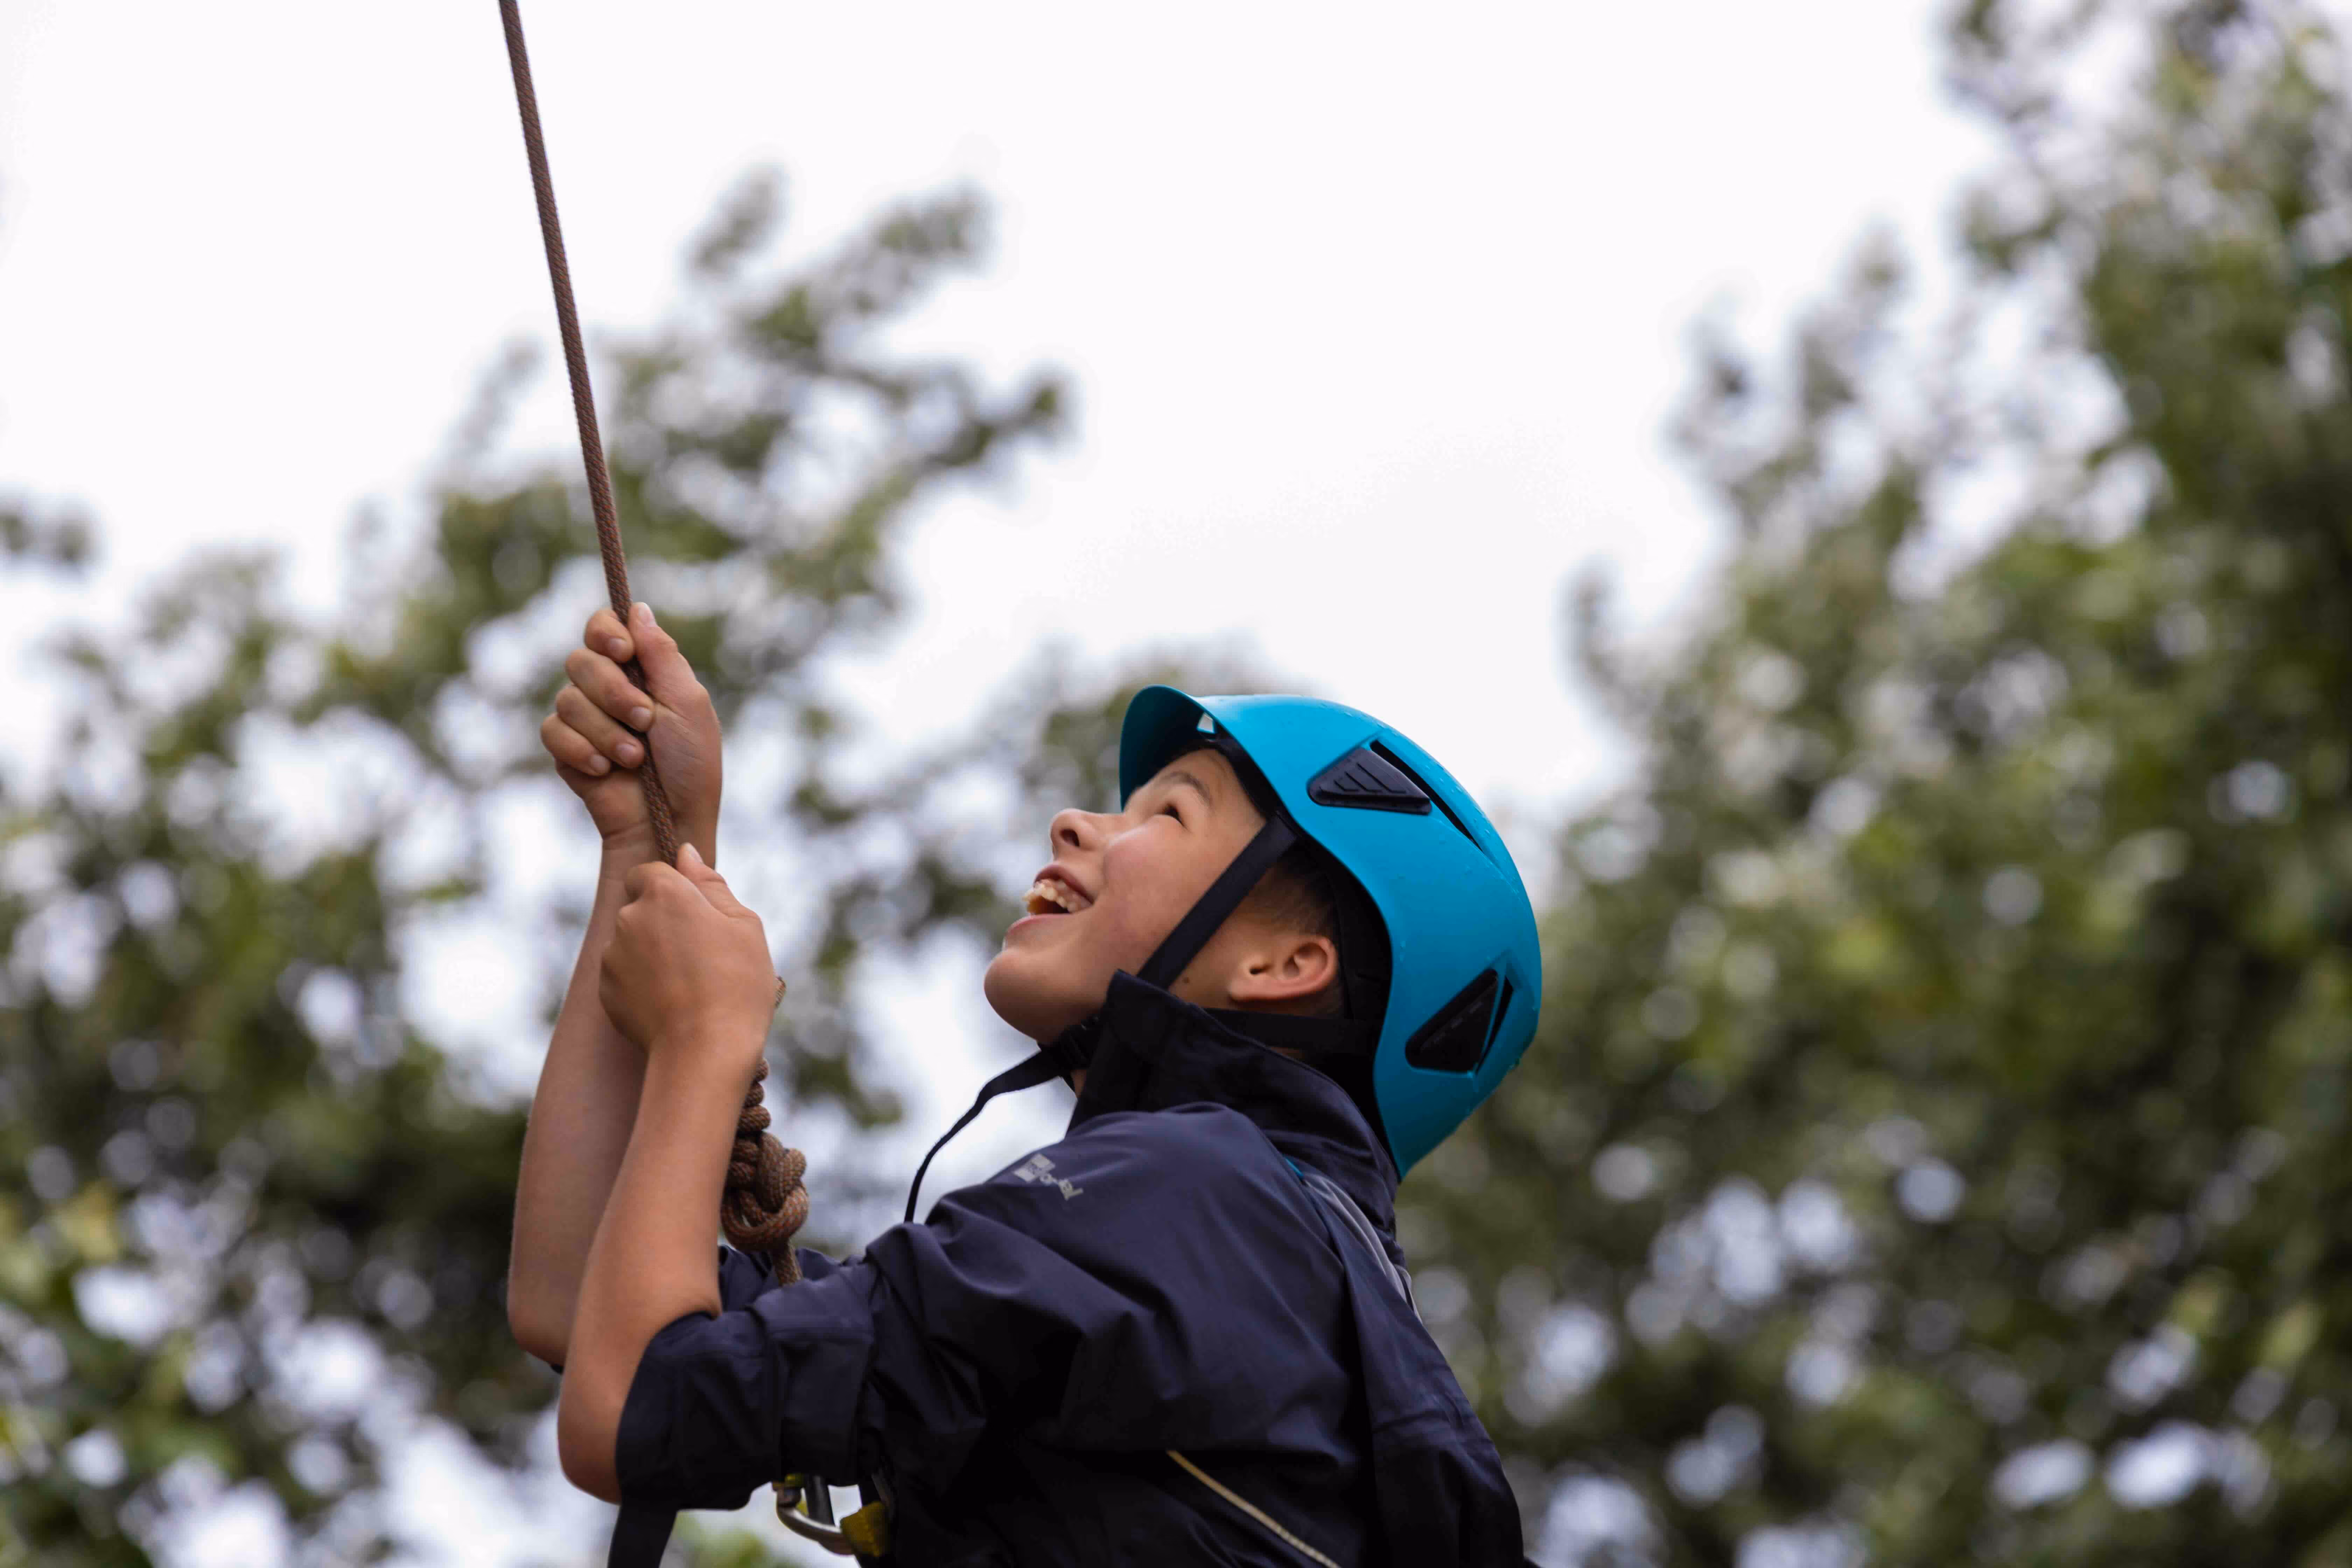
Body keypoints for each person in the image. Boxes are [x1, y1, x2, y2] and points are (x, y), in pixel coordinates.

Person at [507, 601, 1542, 1566]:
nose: (1074, 824)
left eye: (1168, 817)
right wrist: (647, 845)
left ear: (1282, 968)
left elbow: (635, 1406)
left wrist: (701, 1037)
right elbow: (577, 1300)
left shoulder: (1192, 1198)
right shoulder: (1237, 1251)